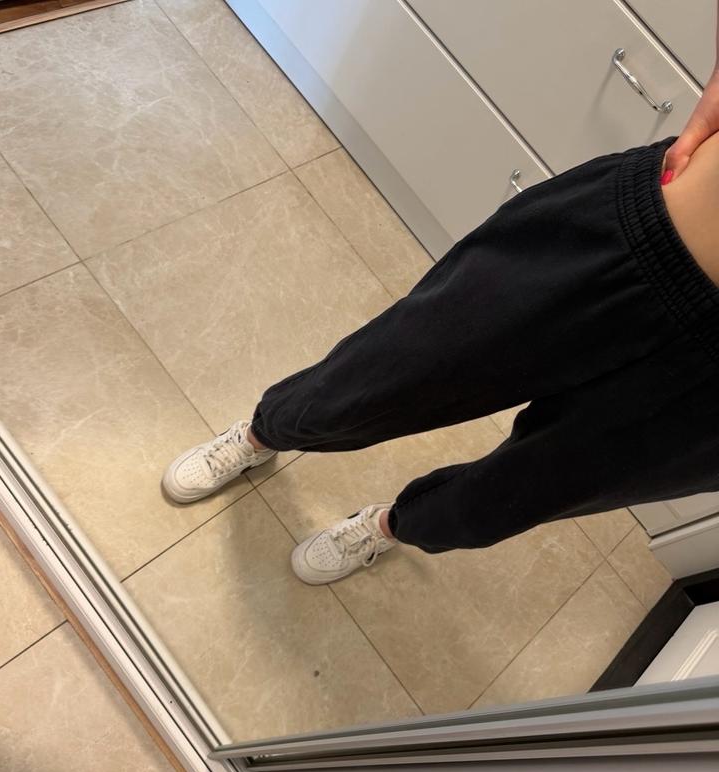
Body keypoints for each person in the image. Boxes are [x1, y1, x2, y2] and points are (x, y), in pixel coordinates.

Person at [163, 41, 719, 587]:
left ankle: (387, 526)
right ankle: (263, 436)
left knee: (503, 501)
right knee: (385, 374)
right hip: (646, 238)